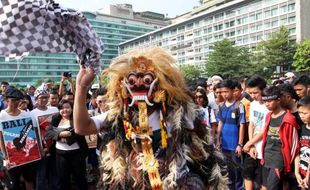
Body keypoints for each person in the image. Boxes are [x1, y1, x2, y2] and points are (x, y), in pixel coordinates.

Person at [73, 47, 228, 189]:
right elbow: (82, 127)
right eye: (132, 80)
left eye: (146, 80)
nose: (139, 84)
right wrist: (81, 88)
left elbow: (201, 144)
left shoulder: (176, 113)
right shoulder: (120, 115)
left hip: (175, 182)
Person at [260, 86, 299, 190]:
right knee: (266, 186)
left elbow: (294, 144)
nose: (267, 104)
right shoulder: (268, 115)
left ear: (278, 100)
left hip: (278, 161)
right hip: (266, 158)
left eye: (269, 101)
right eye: (265, 101)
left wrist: (288, 164)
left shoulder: (289, 119)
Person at [46, 100, 88, 190]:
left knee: (80, 177)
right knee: (63, 179)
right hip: (60, 154)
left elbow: (80, 133)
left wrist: (68, 139)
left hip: (76, 153)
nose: (64, 110)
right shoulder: (55, 118)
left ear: (72, 108)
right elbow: (48, 132)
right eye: (62, 108)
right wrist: (61, 135)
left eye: (67, 107)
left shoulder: (77, 118)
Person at [0, 87, 36, 190]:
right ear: (6, 100)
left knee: (29, 180)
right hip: (11, 156)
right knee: (14, 183)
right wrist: (5, 157)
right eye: (13, 100)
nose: (16, 103)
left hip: (27, 156)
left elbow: (31, 134)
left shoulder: (26, 114)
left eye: (18, 100)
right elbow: (1, 138)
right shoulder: (1, 116)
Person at [216, 79, 245, 190]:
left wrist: (240, 144)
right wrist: (218, 140)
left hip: (235, 144)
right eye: (222, 92)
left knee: (237, 170)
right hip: (224, 144)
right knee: (228, 169)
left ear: (233, 91)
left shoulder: (239, 106)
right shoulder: (221, 105)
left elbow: (242, 125)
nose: (224, 94)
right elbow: (220, 123)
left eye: (226, 91)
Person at [242, 75, 268, 190]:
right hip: (253, 146)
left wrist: (248, 143)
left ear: (263, 89)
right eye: (250, 93)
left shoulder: (269, 106)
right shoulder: (252, 104)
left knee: (263, 179)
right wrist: (251, 144)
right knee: (248, 174)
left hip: (265, 147)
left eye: (256, 92)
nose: (253, 95)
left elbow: (265, 129)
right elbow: (251, 124)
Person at [30, 89, 58, 190]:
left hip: (55, 146)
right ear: (36, 99)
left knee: (54, 171)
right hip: (41, 148)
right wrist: (40, 149)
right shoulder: (32, 113)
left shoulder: (54, 109)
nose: (44, 99)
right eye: (41, 97)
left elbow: (58, 127)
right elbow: (35, 133)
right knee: (41, 174)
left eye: (45, 97)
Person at [295, 96, 310, 189]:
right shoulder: (301, 128)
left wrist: (308, 176)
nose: (301, 116)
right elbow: (297, 152)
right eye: (299, 112)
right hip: (302, 172)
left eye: (305, 113)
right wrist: (296, 172)